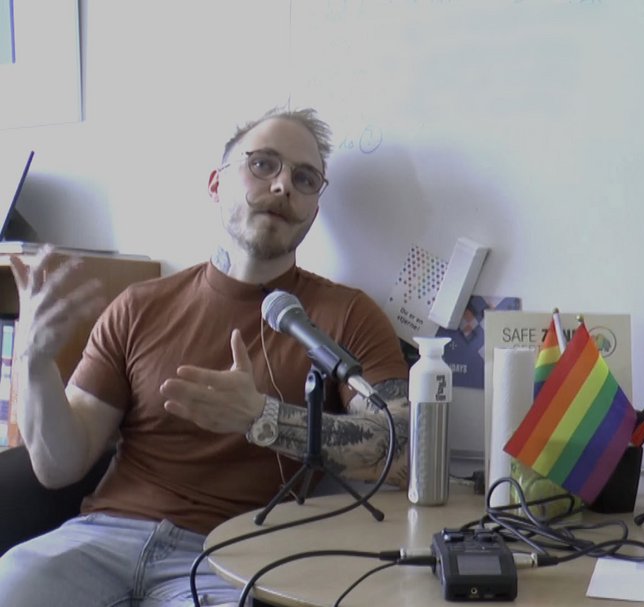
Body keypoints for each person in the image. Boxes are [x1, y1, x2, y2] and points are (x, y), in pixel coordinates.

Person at [0, 107, 410, 606]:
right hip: (101, 538)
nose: (283, 186)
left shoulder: (346, 315)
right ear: (217, 183)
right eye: (263, 164)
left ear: (314, 209)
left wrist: (263, 417)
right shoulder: (138, 305)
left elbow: (400, 447)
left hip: (229, 557)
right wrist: (36, 364)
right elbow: (58, 466)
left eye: (304, 179)